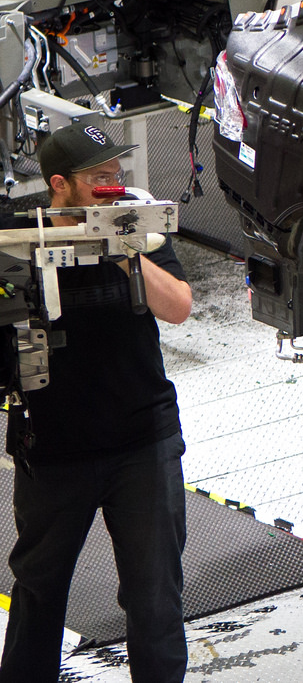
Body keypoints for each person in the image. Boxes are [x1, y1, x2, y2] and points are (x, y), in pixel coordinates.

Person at [0, 119, 193, 683]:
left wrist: (126, 250)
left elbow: (179, 306)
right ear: (59, 185)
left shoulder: (138, 228)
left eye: (116, 175)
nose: (113, 187)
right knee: (39, 591)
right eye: (98, 179)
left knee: (155, 594)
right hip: (54, 450)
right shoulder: (15, 239)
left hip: (143, 442)